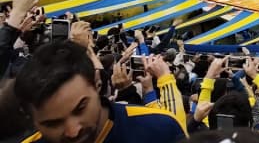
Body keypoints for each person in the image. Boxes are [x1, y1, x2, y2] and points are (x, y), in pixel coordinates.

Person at [14, 40, 186, 143]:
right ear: (32, 120)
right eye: (53, 124)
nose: (73, 131)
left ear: (97, 85)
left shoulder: (160, 129)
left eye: (80, 108)